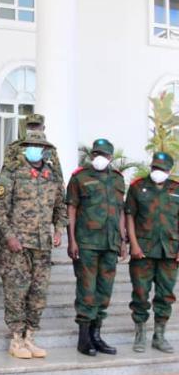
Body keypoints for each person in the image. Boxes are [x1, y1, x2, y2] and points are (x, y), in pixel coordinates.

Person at [0, 132, 67, 360]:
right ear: (24, 147)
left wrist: (59, 229)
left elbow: (61, 205)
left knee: (38, 293)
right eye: (31, 145)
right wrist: (10, 236)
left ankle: (29, 338)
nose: (35, 148)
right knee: (16, 291)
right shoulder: (12, 172)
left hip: (42, 244)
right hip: (17, 244)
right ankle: (16, 339)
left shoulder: (52, 174)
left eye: (39, 145)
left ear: (46, 149)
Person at [66, 138, 126, 356]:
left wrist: (123, 239)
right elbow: (71, 209)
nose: (99, 158)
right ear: (92, 155)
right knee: (86, 290)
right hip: (86, 242)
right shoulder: (79, 177)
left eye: (103, 154)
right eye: (96, 154)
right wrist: (71, 239)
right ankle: (83, 338)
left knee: (104, 291)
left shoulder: (118, 180)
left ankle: (96, 335)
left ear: (110, 157)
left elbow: (120, 211)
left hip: (110, 243)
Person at [125, 151, 179, 354]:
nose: (158, 172)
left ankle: (159, 336)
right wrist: (134, 244)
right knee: (140, 294)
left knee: (165, 295)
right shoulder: (138, 187)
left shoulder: (176, 189)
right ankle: (140, 334)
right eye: (155, 168)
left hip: (170, 252)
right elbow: (130, 216)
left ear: (170, 170)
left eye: (163, 169)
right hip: (143, 251)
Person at [2, 113, 63, 182]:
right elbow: (6, 172)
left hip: (45, 187)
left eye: (36, 126)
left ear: (43, 128)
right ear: (26, 127)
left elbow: (57, 173)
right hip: (21, 186)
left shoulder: (49, 149)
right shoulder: (14, 147)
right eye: (30, 125)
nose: (33, 128)